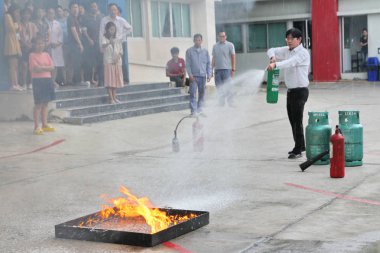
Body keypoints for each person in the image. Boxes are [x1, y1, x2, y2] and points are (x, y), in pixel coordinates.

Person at [266, 27, 310, 159]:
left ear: (299, 39)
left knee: (297, 120)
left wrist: (275, 65)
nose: (289, 41)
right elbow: (271, 49)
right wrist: (273, 57)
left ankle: (298, 150)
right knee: (292, 120)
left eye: (292, 38)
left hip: (300, 91)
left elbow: (290, 63)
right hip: (290, 91)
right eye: (287, 38)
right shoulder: (287, 50)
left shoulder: (303, 53)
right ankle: (300, 145)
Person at [99, 3, 132, 84]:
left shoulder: (121, 20)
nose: (113, 11)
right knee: (108, 62)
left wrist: (121, 36)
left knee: (120, 61)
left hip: (119, 43)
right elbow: (101, 33)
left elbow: (130, 29)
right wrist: (101, 46)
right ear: (108, 10)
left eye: (115, 10)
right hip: (108, 43)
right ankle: (108, 81)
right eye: (111, 9)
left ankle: (122, 80)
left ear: (117, 11)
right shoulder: (104, 20)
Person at [29, 37, 56, 135]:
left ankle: (44, 124)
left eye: (42, 43)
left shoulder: (47, 54)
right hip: (38, 81)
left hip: (47, 80)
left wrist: (43, 68)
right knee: (38, 104)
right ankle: (37, 126)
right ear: (34, 45)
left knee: (45, 103)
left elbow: (52, 67)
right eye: (38, 44)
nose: (40, 45)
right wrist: (46, 68)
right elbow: (36, 69)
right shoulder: (32, 55)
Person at [186, 34, 212, 116]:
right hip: (193, 76)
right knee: (192, 93)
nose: (197, 41)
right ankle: (193, 111)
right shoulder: (189, 51)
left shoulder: (205, 51)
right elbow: (188, 65)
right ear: (194, 41)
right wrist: (190, 75)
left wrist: (209, 74)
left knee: (202, 94)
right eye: (196, 40)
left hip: (203, 76)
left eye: (199, 40)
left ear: (201, 41)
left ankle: (200, 110)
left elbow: (208, 64)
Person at [212, 31, 236, 107]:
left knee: (228, 87)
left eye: (223, 36)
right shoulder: (215, 46)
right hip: (217, 70)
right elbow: (214, 58)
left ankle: (230, 103)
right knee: (219, 88)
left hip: (227, 70)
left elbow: (233, 56)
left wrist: (233, 69)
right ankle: (221, 103)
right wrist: (211, 69)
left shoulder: (230, 45)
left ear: (226, 37)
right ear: (218, 37)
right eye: (220, 36)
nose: (221, 38)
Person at [101, 21, 123, 104]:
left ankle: (115, 97)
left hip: (116, 62)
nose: (112, 31)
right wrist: (109, 42)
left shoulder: (117, 39)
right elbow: (102, 47)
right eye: (111, 29)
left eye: (114, 29)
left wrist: (117, 57)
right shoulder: (104, 38)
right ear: (107, 30)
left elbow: (121, 50)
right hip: (109, 61)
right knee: (110, 81)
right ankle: (111, 98)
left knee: (115, 81)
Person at [82, 1, 103, 86]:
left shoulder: (102, 17)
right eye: (92, 7)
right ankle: (89, 80)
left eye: (95, 6)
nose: (93, 8)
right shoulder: (86, 17)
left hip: (100, 43)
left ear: (97, 7)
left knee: (100, 62)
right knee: (89, 62)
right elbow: (84, 29)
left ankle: (100, 80)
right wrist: (89, 39)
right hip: (90, 43)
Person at [66, 2, 86, 86]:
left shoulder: (76, 18)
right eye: (73, 7)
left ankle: (76, 80)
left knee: (78, 62)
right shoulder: (70, 18)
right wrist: (80, 43)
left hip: (76, 44)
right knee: (76, 63)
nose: (75, 9)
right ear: (70, 9)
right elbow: (73, 31)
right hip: (74, 44)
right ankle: (77, 81)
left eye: (77, 7)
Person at [4, 4, 23, 91]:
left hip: (15, 44)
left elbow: (19, 29)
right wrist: (17, 24)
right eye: (16, 12)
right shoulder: (7, 16)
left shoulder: (15, 20)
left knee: (16, 65)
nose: (17, 14)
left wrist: (17, 23)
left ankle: (16, 83)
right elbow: (12, 28)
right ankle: (13, 84)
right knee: (12, 65)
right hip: (10, 43)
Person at [20, 7, 37, 90]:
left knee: (31, 65)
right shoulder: (19, 24)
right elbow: (18, 37)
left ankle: (30, 83)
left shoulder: (32, 25)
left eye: (28, 14)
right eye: (25, 14)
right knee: (24, 65)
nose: (26, 15)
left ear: (30, 15)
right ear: (22, 15)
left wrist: (31, 44)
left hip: (31, 47)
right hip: (22, 47)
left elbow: (35, 37)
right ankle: (24, 83)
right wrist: (25, 44)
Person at [47, 7, 64, 87]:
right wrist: (48, 43)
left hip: (56, 47)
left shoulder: (57, 23)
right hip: (47, 47)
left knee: (55, 65)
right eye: (49, 13)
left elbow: (61, 35)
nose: (51, 15)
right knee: (48, 64)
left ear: (54, 14)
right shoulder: (45, 22)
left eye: (52, 13)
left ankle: (53, 81)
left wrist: (57, 43)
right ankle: (47, 81)